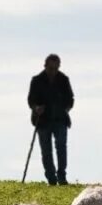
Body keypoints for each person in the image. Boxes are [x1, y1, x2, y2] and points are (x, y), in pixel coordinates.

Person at [27, 53, 75, 186]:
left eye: (56, 68)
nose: (53, 71)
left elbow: (70, 99)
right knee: (46, 150)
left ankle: (62, 177)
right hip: (42, 121)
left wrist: (66, 109)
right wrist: (36, 108)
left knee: (61, 147)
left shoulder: (63, 79)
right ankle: (51, 178)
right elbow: (31, 100)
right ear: (45, 66)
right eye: (50, 68)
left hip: (60, 120)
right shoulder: (36, 80)